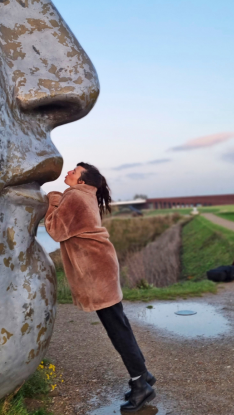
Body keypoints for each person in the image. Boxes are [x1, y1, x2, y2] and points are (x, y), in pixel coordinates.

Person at [45, 163, 156, 412]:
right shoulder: (86, 195)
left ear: (83, 181)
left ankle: (142, 386)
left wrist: (52, 198)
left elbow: (55, 230)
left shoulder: (73, 196)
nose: (69, 173)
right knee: (120, 324)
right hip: (102, 265)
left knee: (117, 329)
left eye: (74, 171)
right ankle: (144, 376)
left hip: (95, 270)